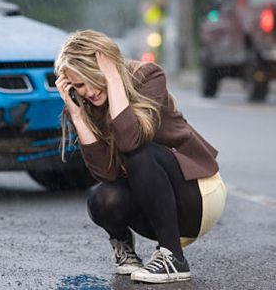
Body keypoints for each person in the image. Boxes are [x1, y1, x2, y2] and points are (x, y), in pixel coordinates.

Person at [54, 30, 226, 284]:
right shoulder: (86, 105)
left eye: (93, 78)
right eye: (79, 85)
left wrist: (113, 79)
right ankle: (127, 251)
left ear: (108, 65)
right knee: (102, 198)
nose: (88, 91)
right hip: (157, 212)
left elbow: (131, 141)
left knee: (138, 153)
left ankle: (173, 259)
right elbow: (106, 174)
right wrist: (78, 117)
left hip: (198, 196)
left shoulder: (148, 76)